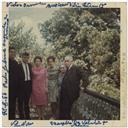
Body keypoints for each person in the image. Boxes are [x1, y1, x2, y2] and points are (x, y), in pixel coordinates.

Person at [59, 55, 87, 120]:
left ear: (72, 61)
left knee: (70, 113)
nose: (66, 62)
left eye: (67, 61)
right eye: (65, 61)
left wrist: (83, 86)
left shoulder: (76, 68)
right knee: (65, 113)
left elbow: (85, 77)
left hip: (71, 95)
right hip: (65, 95)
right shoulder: (67, 69)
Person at [18, 52, 32, 119]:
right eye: (24, 57)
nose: (26, 59)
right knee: (20, 102)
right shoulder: (19, 66)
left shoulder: (30, 65)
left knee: (27, 102)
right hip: (21, 86)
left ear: (28, 58)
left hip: (28, 85)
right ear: (22, 57)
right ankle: (21, 116)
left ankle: (28, 116)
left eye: (27, 57)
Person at [9, 46, 19, 120]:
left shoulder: (16, 63)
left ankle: (12, 118)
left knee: (13, 104)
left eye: (14, 52)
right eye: (11, 52)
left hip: (15, 89)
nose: (13, 53)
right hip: (7, 88)